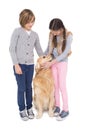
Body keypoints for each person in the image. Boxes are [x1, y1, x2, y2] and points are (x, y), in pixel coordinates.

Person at [9, 9, 43, 121]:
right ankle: (22, 110)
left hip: (30, 65)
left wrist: (45, 59)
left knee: (29, 88)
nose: (31, 24)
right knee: (22, 88)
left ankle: (29, 108)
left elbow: (39, 50)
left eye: (32, 21)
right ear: (23, 20)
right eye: (28, 21)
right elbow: (11, 49)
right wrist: (16, 64)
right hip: (20, 65)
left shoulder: (35, 35)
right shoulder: (17, 31)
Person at [43, 18, 73, 121]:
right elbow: (48, 49)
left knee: (62, 86)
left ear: (60, 29)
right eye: (51, 31)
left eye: (54, 31)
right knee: (55, 86)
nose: (53, 33)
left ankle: (66, 109)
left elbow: (65, 53)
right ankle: (57, 106)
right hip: (53, 63)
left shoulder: (68, 35)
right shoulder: (51, 35)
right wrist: (42, 57)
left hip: (62, 63)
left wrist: (52, 62)